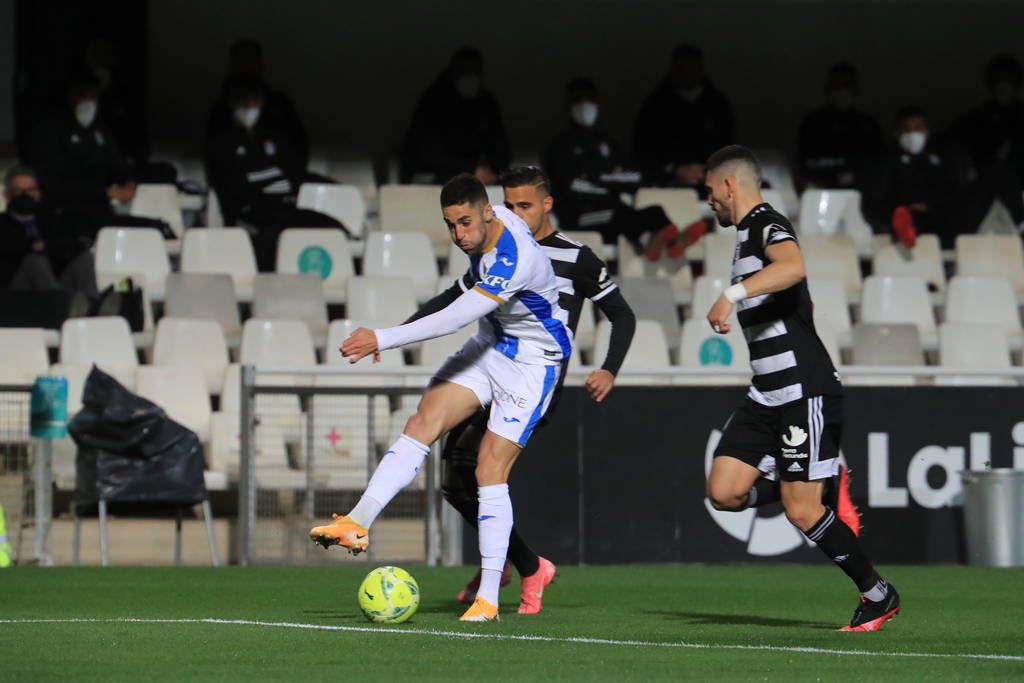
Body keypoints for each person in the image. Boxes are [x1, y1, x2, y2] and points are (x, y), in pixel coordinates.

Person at [310, 174, 573, 622]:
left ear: (488, 213)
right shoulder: (489, 228)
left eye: (466, 223)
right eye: (451, 226)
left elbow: (457, 317)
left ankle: (488, 597)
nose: (459, 235)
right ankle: (357, 522)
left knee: (489, 468)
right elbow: (458, 299)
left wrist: (384, 337)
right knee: (422, 422)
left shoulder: (514, 259)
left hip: (533, 362)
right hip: (492, 344)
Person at [404, 166, 636, 614]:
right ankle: (515, 561)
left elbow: (623, 314)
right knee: (455, 484)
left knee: (481, 473)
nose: (515, 214)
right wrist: (395, 332)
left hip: (533, 382)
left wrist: (609, 368)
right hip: (489, 369)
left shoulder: (577, 258)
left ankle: (526, 567)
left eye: (525, 205)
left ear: (548, 204)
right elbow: (453, 299)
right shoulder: (495, 249)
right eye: (509, 205)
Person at [703, 145, 898, 632]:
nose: (709, 202)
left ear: (730, 185)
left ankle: (878, 594)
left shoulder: (767, 221)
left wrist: (730, 294)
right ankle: (818, 477)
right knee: (723, 492)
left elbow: (793, 265)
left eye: (710, 192)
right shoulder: (744, 233)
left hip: (803, 390)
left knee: (802, 512)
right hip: (765, 393)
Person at [545, 77, 701, 260]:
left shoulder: (608, 143)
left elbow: (634, 178)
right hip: (577, 218)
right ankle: (648, 241)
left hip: (611, 211)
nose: (585, 105)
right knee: (620, 213)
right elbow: (572, 186)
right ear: (568, 105)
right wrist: (609, 181)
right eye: (578, 99)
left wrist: (596, 178)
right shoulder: (560, 147)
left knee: (654, 211)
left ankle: (673, 243)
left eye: (589, 99)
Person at [205, 76, 343, 270]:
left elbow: (293, 173)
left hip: (286, 208)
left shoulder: (273, 140)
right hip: (249, 214)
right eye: (242, 100)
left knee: (330, 228)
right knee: (276, 237)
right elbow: (235, 185)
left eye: (254, 100)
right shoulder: (222, 144)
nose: (248, 106)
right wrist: (272, 176)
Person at [29, 76, 170, 242]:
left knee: (158, 229)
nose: (87, 102)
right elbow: (53, 182)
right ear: (71, 98)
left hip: (100, 212)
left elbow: (119, 165)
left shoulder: (101, 133)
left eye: (92, 96)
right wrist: (104, 191)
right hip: (66, 213)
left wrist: (129, 182)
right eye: (82, 96)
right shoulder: (52, 132)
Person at [869, 106, 1024, 249]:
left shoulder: (942, 157)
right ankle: (907, 232)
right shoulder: (887, 163)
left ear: (927, 131)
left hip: (949, 218)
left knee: (999, 171)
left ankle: (1022, 223)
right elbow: (878, 198)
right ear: (897, 133)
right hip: (912, 217)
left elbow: (955, 191)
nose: (913, 134)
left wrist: (932, 204)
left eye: (918, 128)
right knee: (911, 217)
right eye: (907, 129)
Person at [400, 47, 509, 185]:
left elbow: (500, 144)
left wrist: (492, 169)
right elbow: (428, 152)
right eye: (464, 70)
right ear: (453, 71)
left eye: (475, 70)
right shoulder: (433, 100)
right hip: (437, 178)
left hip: (480, 179)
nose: (470, 75)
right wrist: (471, 170)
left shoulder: (486, 102)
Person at [633, 44, 734, 190]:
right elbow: (643, 150)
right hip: (666, 185)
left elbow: (728, 146)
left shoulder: (718, 104)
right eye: (684, 67)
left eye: (693, 67)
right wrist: (674, 169)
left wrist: (708, 169)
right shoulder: (655, 105)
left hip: (711, 185)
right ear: (674, 68)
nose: (688, 73)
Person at [207, 39, 309, 167]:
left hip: (277, 177)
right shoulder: (221, 109)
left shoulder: (279, 105)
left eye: (250, 60)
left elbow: (297, 146)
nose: (246, 66)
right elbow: (213, 153)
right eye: (241, 61)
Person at [0, 166, 97, 297]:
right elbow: (13, 248)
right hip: (15, 291)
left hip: (51, 282)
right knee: (34, 261)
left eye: (30, 190)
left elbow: (64, 243)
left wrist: (46, 246)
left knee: (84, 258)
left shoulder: (48, 219)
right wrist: (37, 246)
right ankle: (60, 307)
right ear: (7, 194)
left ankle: (91, 306)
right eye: (18, 191)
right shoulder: (3, 223)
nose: (25, 196)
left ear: (38, 193)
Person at [797, 63, 884, 191]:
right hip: (820, 190)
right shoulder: (813, 123)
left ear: (854, 89)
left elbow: (877, 163)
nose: (842, 91)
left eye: (846, 86)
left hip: (861, 193)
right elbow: (805, 161)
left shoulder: (868, 124)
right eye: (837, 86)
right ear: (828, 88)